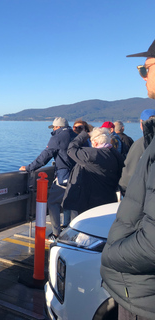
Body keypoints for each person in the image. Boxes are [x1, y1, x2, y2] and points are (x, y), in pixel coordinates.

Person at [101, 39, 155, 320]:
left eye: (145, 69)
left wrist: (110, 254)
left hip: (143, 298)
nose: (143, 78)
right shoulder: (145, 141)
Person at [19, 117, 77, 241]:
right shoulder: (76, 135)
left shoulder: (57, 137)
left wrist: (29, 168)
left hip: (64, 176)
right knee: (74, 204)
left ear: (57, 127)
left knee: (53, 202)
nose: (53, 129)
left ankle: (56, 233)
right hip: (79, 175)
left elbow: (45, 156)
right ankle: (75, 233)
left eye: (54, 127)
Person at [62, 127, 124, 218]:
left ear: (95, 142)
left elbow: (71, 149)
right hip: (109, 198)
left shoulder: (91, 154)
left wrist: (84, 135)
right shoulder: (116, 155)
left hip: (90, 202)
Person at [118, 109, 155, 196]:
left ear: (142, 123)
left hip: (145, 194)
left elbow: (130, 171)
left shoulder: (140, 144)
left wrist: (123, 188)